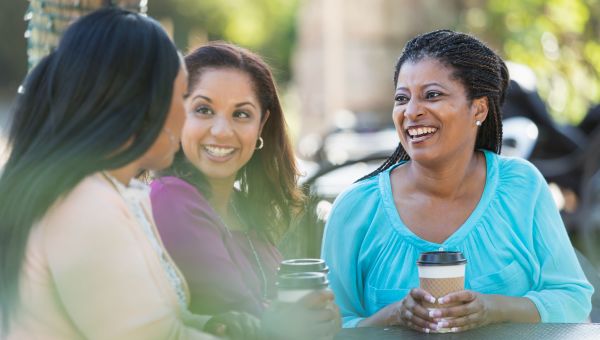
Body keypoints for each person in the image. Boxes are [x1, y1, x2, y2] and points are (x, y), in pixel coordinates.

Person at [321, 29, 593, 333]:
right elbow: (329, 330)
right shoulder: (356, 209)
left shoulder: (522, 187)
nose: (411, 112)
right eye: (402, 98)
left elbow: (572, 299)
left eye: (432, 95)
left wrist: (493, 310)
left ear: (478, 108)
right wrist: (395, 315)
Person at [0, 8, 215, 339]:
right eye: (182, 94)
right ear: (142, 101)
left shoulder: (116, 192)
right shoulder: (83, 205)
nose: (186, 115)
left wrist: (212, 323)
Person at [150, 42, 340, 339]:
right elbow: (244, 318)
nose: (222, 131)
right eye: (203, 110)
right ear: (178, 113)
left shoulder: (242, 206)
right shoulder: (170, 198)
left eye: (241, 115)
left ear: (262, 124)